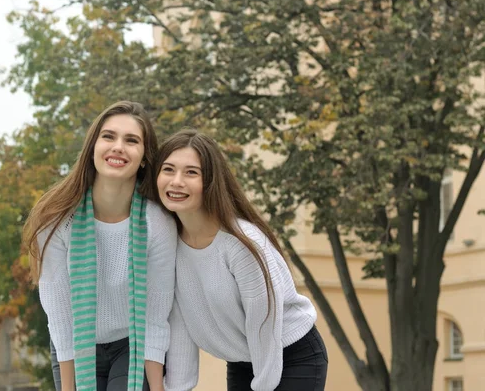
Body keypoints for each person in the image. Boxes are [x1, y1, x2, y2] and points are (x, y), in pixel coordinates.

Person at [156, 129, 328, 391]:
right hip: (241, 360)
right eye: (168, 169)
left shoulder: (241, 243)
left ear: (211, 181)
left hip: (292, 355)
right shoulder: (168, 243)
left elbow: (264, 323)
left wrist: (262, 385)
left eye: (191, 172)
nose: (176, 181)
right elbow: (180, 323)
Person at [23, 101, 177, 391]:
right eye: (109, 137)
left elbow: (156, 317)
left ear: (144, 157)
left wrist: (157, 388)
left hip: (132, 345)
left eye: (131, 141)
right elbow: (59, 315)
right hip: (75, 344)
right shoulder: (56, 219)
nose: (118, 147)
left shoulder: (157, 223)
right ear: (93, 147)